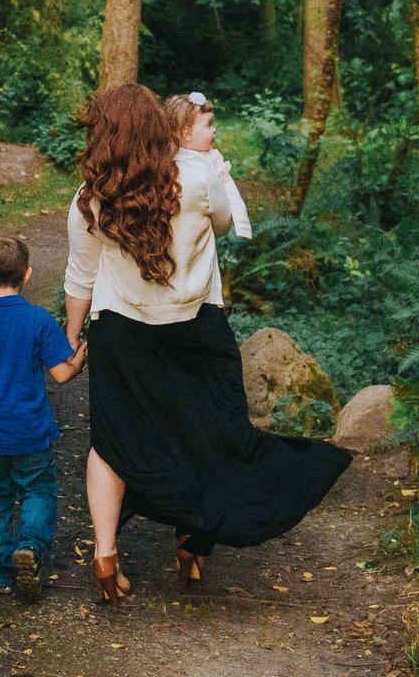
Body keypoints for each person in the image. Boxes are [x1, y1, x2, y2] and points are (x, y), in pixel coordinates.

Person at [65, 83, 349, 604]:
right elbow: (222, 223)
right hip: (195, 327)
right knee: (207, 432)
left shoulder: (89, 200)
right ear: (156, 127)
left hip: (122, 336)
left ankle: (105, 555)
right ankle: (191, 544)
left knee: (112, 440)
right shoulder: (195, 179)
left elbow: (79, 279)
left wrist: (70, 339)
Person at [0, 234, 84, 603]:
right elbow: (60, 374)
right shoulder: (38, 319)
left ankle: (0, 575)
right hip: (31, 431)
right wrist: (80, 360)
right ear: (27, 274)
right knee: (37, 490)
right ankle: (29, 546)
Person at [164, 89, 251, 238]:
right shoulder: (167, 157)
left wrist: (242, 224)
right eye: (209, 125)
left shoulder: (213, 159)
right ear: (187, 133)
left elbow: (229, 190)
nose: (214, 129)